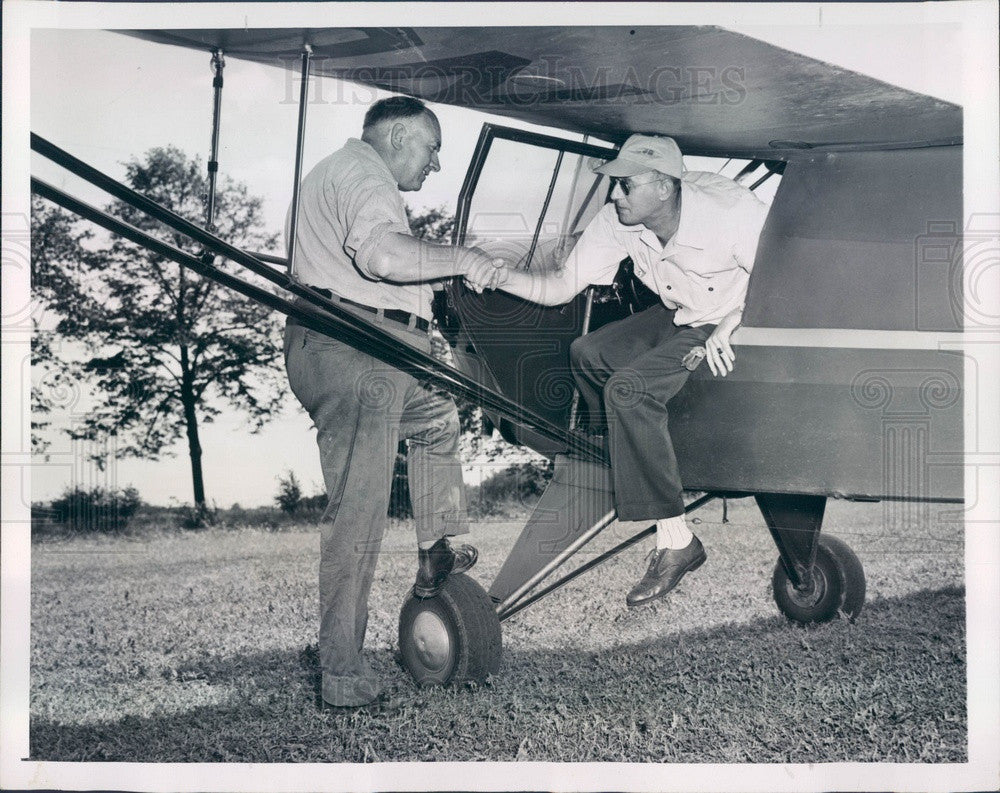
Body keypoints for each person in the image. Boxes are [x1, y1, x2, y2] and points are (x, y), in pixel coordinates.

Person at [283, 96, 506, 707]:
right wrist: (460, 258)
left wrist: (436, 280)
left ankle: (435, 553)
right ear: (400, 135)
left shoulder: (350, 179)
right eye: (432, 149)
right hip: (351, 347)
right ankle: (342, 673)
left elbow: (383, 266)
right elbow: (379, 257)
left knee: (437, 420)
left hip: (375, 346)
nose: (435, 166)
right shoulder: (363, 174)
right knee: (359, 511)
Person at [489, 134, 769, 607]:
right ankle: (628, 452)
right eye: (613, 185)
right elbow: (562, 286)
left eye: (624, 185)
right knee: (587, 353)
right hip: (680, 312)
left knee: (627, 392)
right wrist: (501, 276)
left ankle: (677, 540)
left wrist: (731, 326)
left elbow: (781, 277)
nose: (613, 195)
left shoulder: (731, 214)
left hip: (728, 317)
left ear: (663, 187)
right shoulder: (621, 219)